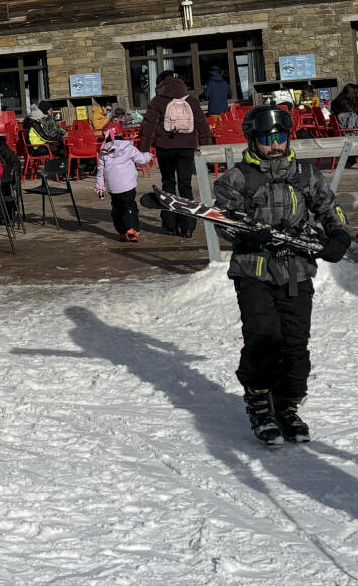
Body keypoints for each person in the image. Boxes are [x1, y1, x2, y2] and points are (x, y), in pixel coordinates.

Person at [212, 105, 352, 445]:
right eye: (266, 139)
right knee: (263, 337)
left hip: (296, 270)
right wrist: (246, 234)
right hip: (254, 270)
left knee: (295, 344)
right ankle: (260, 403)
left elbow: (328, 207)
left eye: (280, 138)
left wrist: (339, 233)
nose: (275, 145)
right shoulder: (237, 179)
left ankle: (287, 405)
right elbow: (223, 221)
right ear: (253, 141)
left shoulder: (305, 174)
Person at [138, 70, 213, 237]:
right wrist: (208, 149)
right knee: (185, 186)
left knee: (168, 185)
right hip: (187, 148)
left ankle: (170, 225)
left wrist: (143, 150)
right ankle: (188, 227)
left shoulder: (157, 101)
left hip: (165, 148)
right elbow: (202, 124)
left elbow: (149, 126)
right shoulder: (191, 100)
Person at [95, 128, 153, 242]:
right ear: (121, 134)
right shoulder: (128, 147)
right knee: (129, 206)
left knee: (117, 208)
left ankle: (121, 232)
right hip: (127, 185)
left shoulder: (103, 151)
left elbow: (100, 171)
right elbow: (141, 159)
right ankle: (132, 229)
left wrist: (100, 187)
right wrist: (149, 155)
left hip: (113, 186)